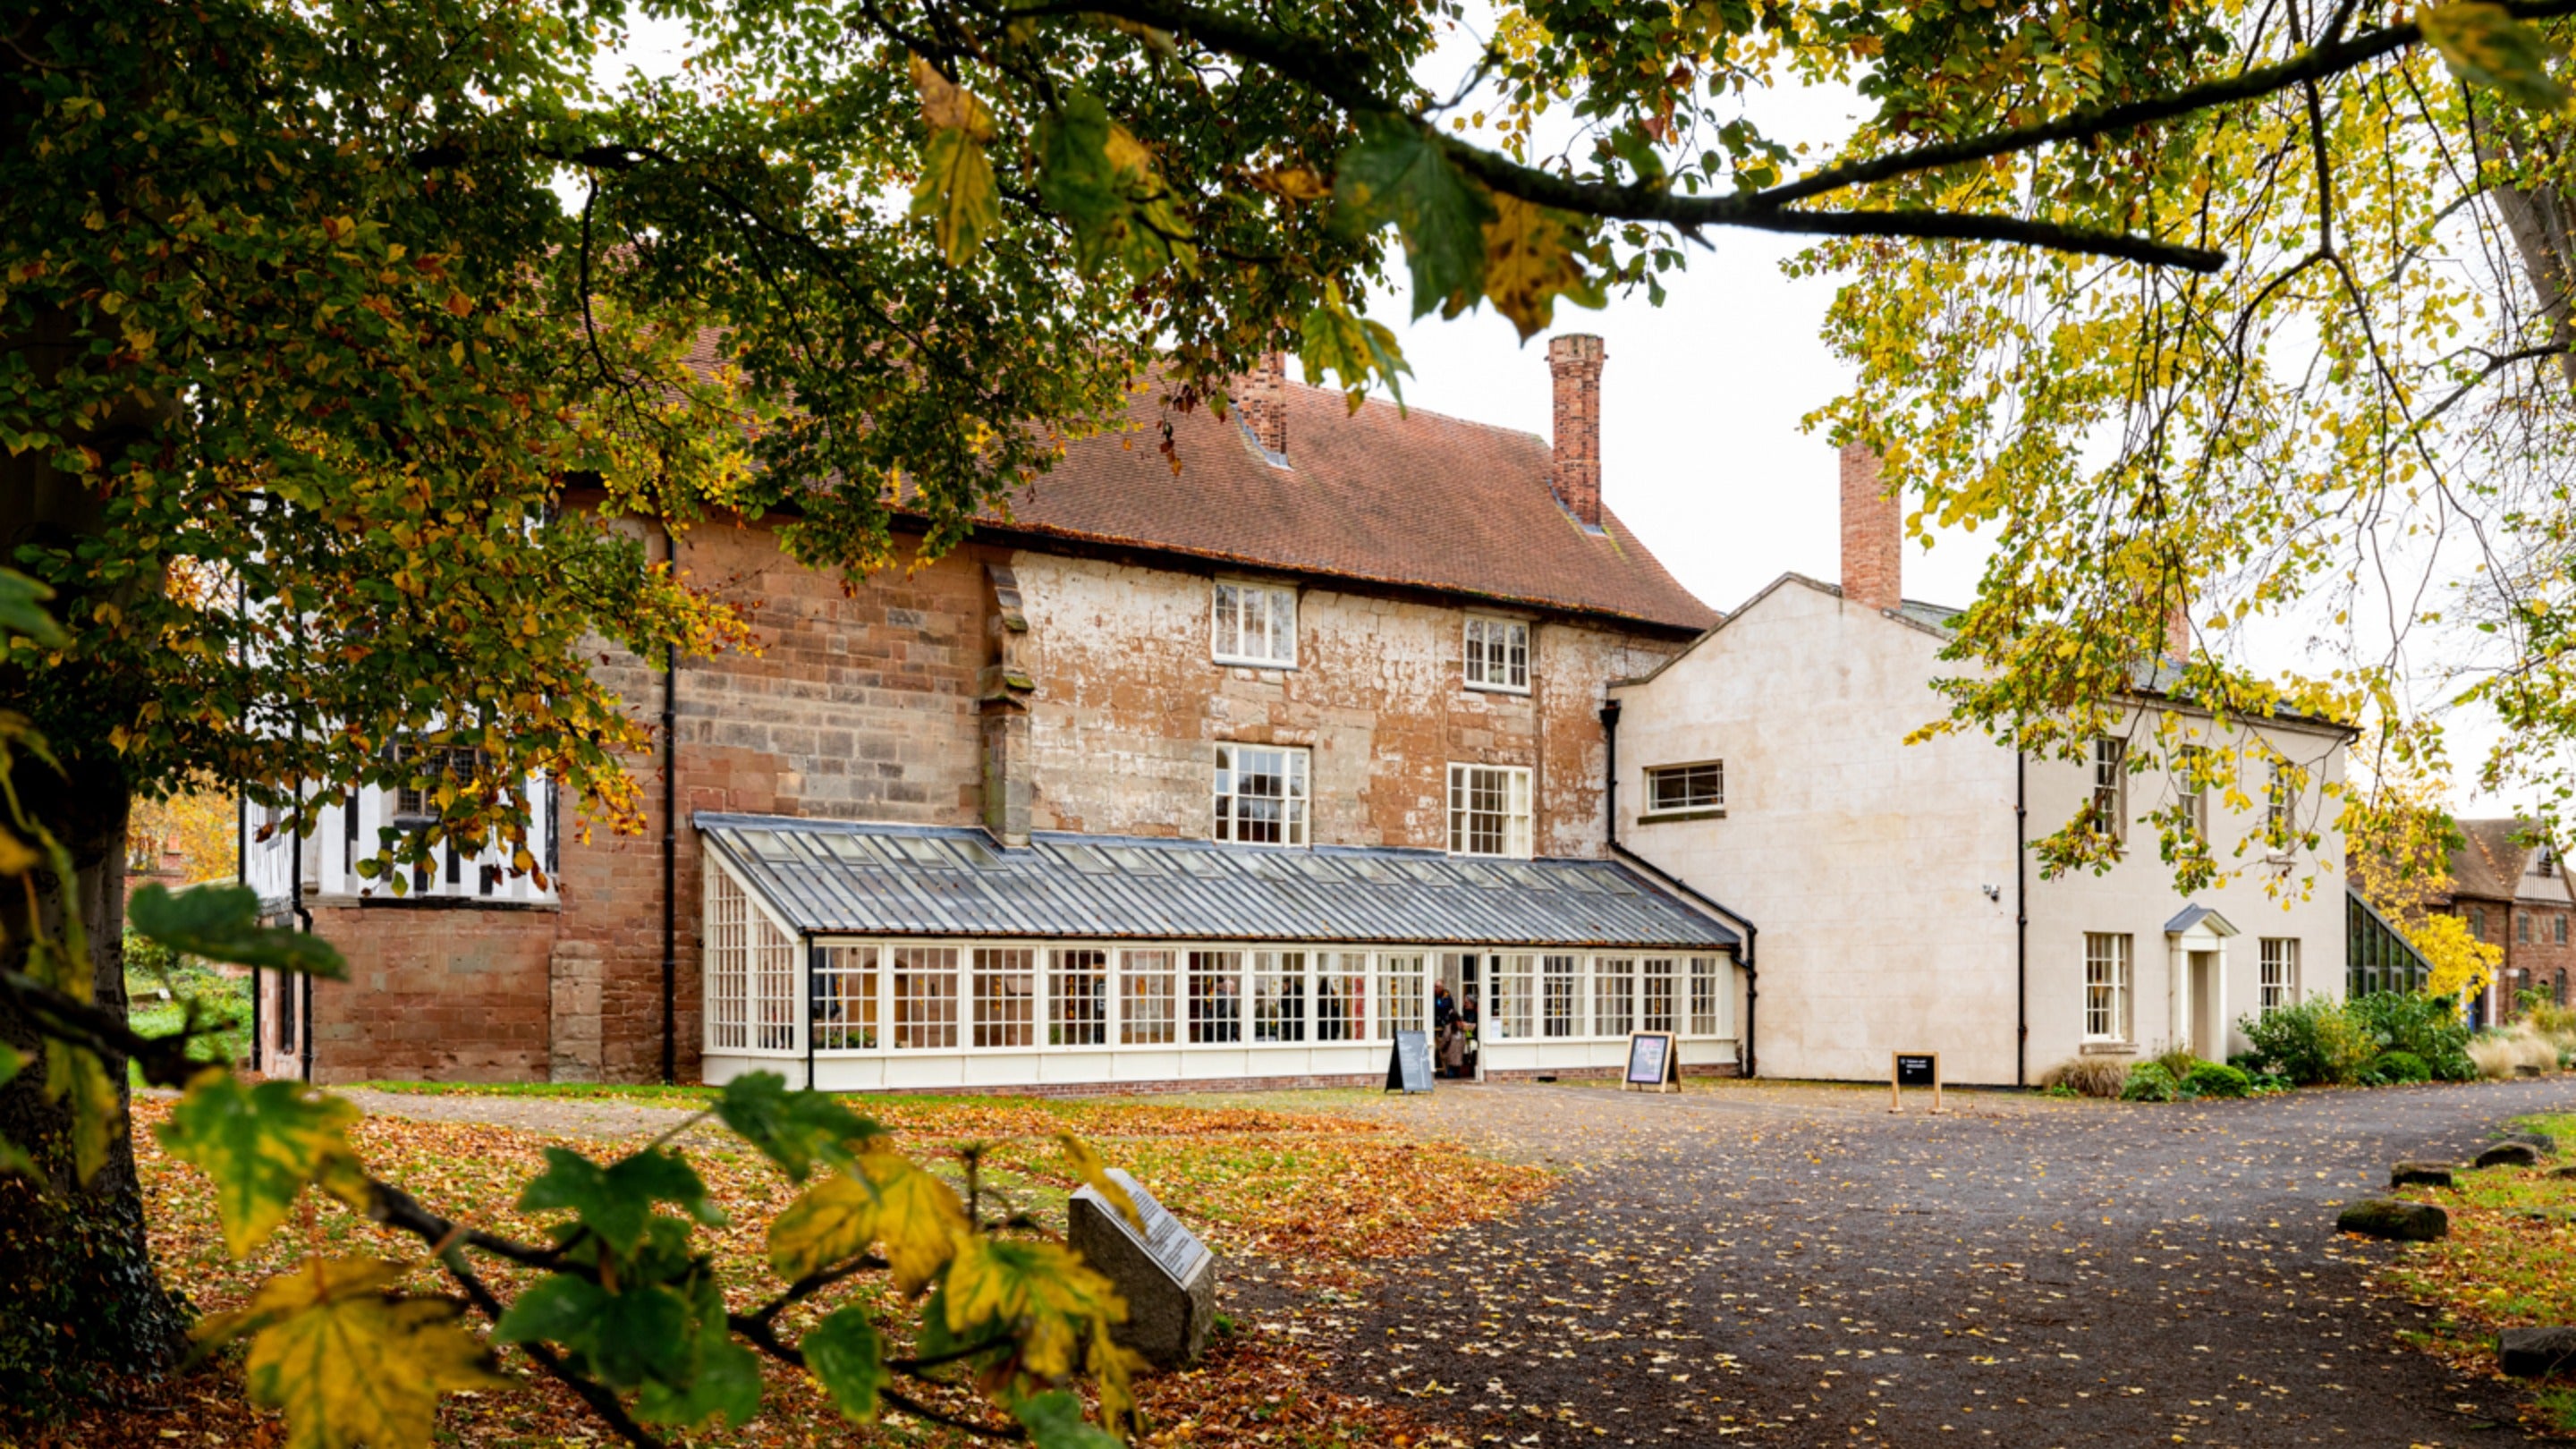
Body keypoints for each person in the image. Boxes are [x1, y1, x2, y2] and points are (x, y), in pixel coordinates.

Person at [1432, 981, 1459, 1077]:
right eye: (1435, 987)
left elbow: (1447, 1008)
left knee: (1445, 1045)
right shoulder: (1432, 996)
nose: (1436, 989)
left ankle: (1447, 1070)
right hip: (1434, 1023)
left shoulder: (1447, 996)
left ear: (1442, 987)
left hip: (1445, 1023)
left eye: (1438, 987)